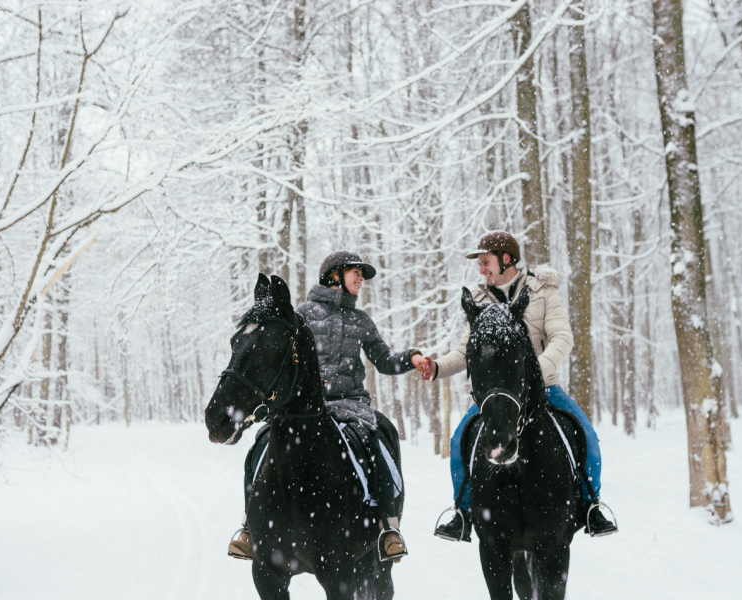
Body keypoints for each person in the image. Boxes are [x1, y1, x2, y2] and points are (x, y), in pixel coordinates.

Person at [228, 251, 431, 562]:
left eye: (362, 274)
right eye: (356, 272)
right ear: (334, 274)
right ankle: (249, 526)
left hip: (351, 406)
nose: (361, 278)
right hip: (306, 407)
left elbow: (384, 360)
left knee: (375, 445)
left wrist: (412, 358)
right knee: (260, 448)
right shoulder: (303, 315)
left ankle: (388, 528)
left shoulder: (362, 320)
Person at [419, 231, 618, 541]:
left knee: (587, 437)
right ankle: (463, 512)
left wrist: (533, 375)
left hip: (544, 389)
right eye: (480, 264)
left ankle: (591, 505)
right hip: (497, 396)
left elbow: (562, 338)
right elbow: (464, 351)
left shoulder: (542, 292)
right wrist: (436, 367)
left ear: (506, 260)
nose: (481, 269)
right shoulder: (479, 300)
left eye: (485, 262)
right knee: (459, 440)